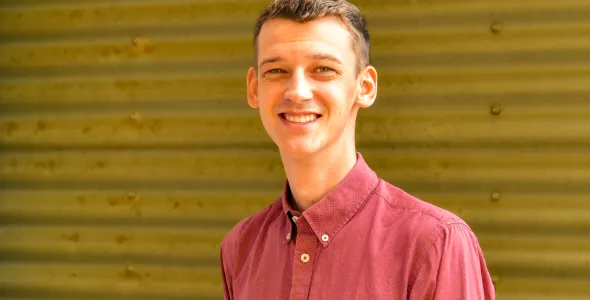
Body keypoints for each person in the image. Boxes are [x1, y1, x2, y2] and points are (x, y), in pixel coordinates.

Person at [219, 0, 495, 299]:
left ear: (365, 87)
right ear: (254, 88)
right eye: (276, 70)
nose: (297, 91)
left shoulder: (435, 243)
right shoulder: (240, 247)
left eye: (323, 69)